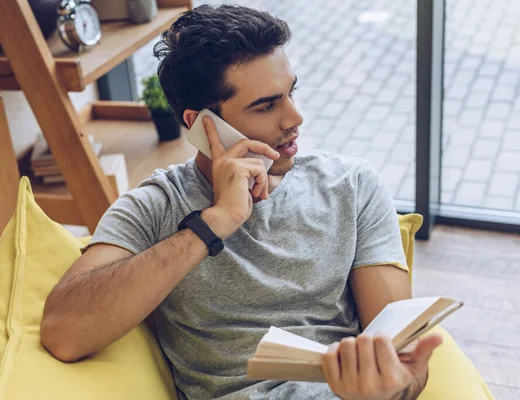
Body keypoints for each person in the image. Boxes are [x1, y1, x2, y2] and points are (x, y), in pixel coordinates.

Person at [40, 4, 443, 399]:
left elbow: (403, 358)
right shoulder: (156, 206)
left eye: (290, 93)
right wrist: (214, 221)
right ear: (200, 125)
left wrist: (388, 388)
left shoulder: (351, 186)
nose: (294, 118)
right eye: (267, 105)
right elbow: (64, 332)